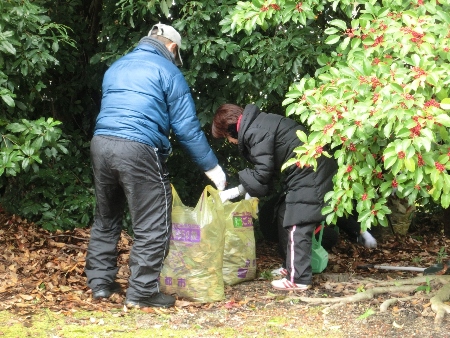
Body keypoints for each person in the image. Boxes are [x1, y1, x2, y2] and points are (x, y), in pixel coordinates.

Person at [85, 24, 227, 308]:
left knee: (106, 216)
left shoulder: (117, 66)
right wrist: (213, 169)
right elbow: (186, 128)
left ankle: (100, 284)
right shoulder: (168, 71)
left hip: (101, 144)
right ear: (172, 48)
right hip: (138, 147)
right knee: (153, 224)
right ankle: (141, 292)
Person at [212, 103, 337, 291]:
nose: (229, 142)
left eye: (226, 137)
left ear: (231, 128)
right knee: (284, 213)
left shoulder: (255, 131)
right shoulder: (258, 125)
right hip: (307, 170)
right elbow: (267, 174)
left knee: (297, 224)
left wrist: (235, 192)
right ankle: (290, 268)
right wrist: (249, 192)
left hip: (310, 171)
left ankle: (299, 279)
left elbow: (262, 174)